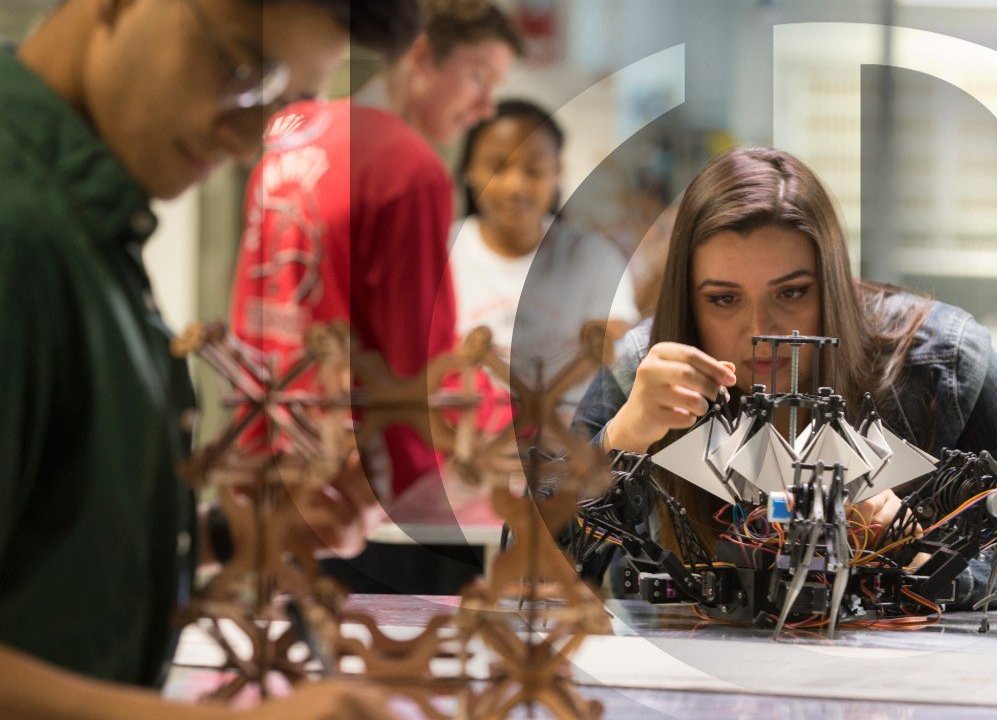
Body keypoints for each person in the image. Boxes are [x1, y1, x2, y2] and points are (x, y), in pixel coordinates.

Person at [0, 0, 424, 717]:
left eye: (285, 104)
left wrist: (230, 536)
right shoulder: (19, 228)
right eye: (240, 71)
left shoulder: (87, 226)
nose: (247, 137)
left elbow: (48, 542)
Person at [573, 146, 997, 609]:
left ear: (834, 284)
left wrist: (914, 562)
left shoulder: (945, 362)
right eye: (723, 300)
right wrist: (620, 439)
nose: (761, 330)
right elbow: (527, 561)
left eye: (791, 293)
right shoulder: (646, 367)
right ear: (688, 301)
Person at [230, 0, 522, 503]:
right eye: (478, 77)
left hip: (268, 455)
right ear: (423, 57)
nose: (486, 107)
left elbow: (250, 317)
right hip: (360, 481)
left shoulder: (293, 135)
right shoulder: (409, 169)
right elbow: (417, 360)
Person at [451, 98, 639, 410]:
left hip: (569, 446)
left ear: (557, 173)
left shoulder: (594, 259)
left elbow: (621, 350)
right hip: (460, 441)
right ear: (469, 169)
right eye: (498, 167)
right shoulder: (438, 254)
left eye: (534, 170)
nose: (516, 186)